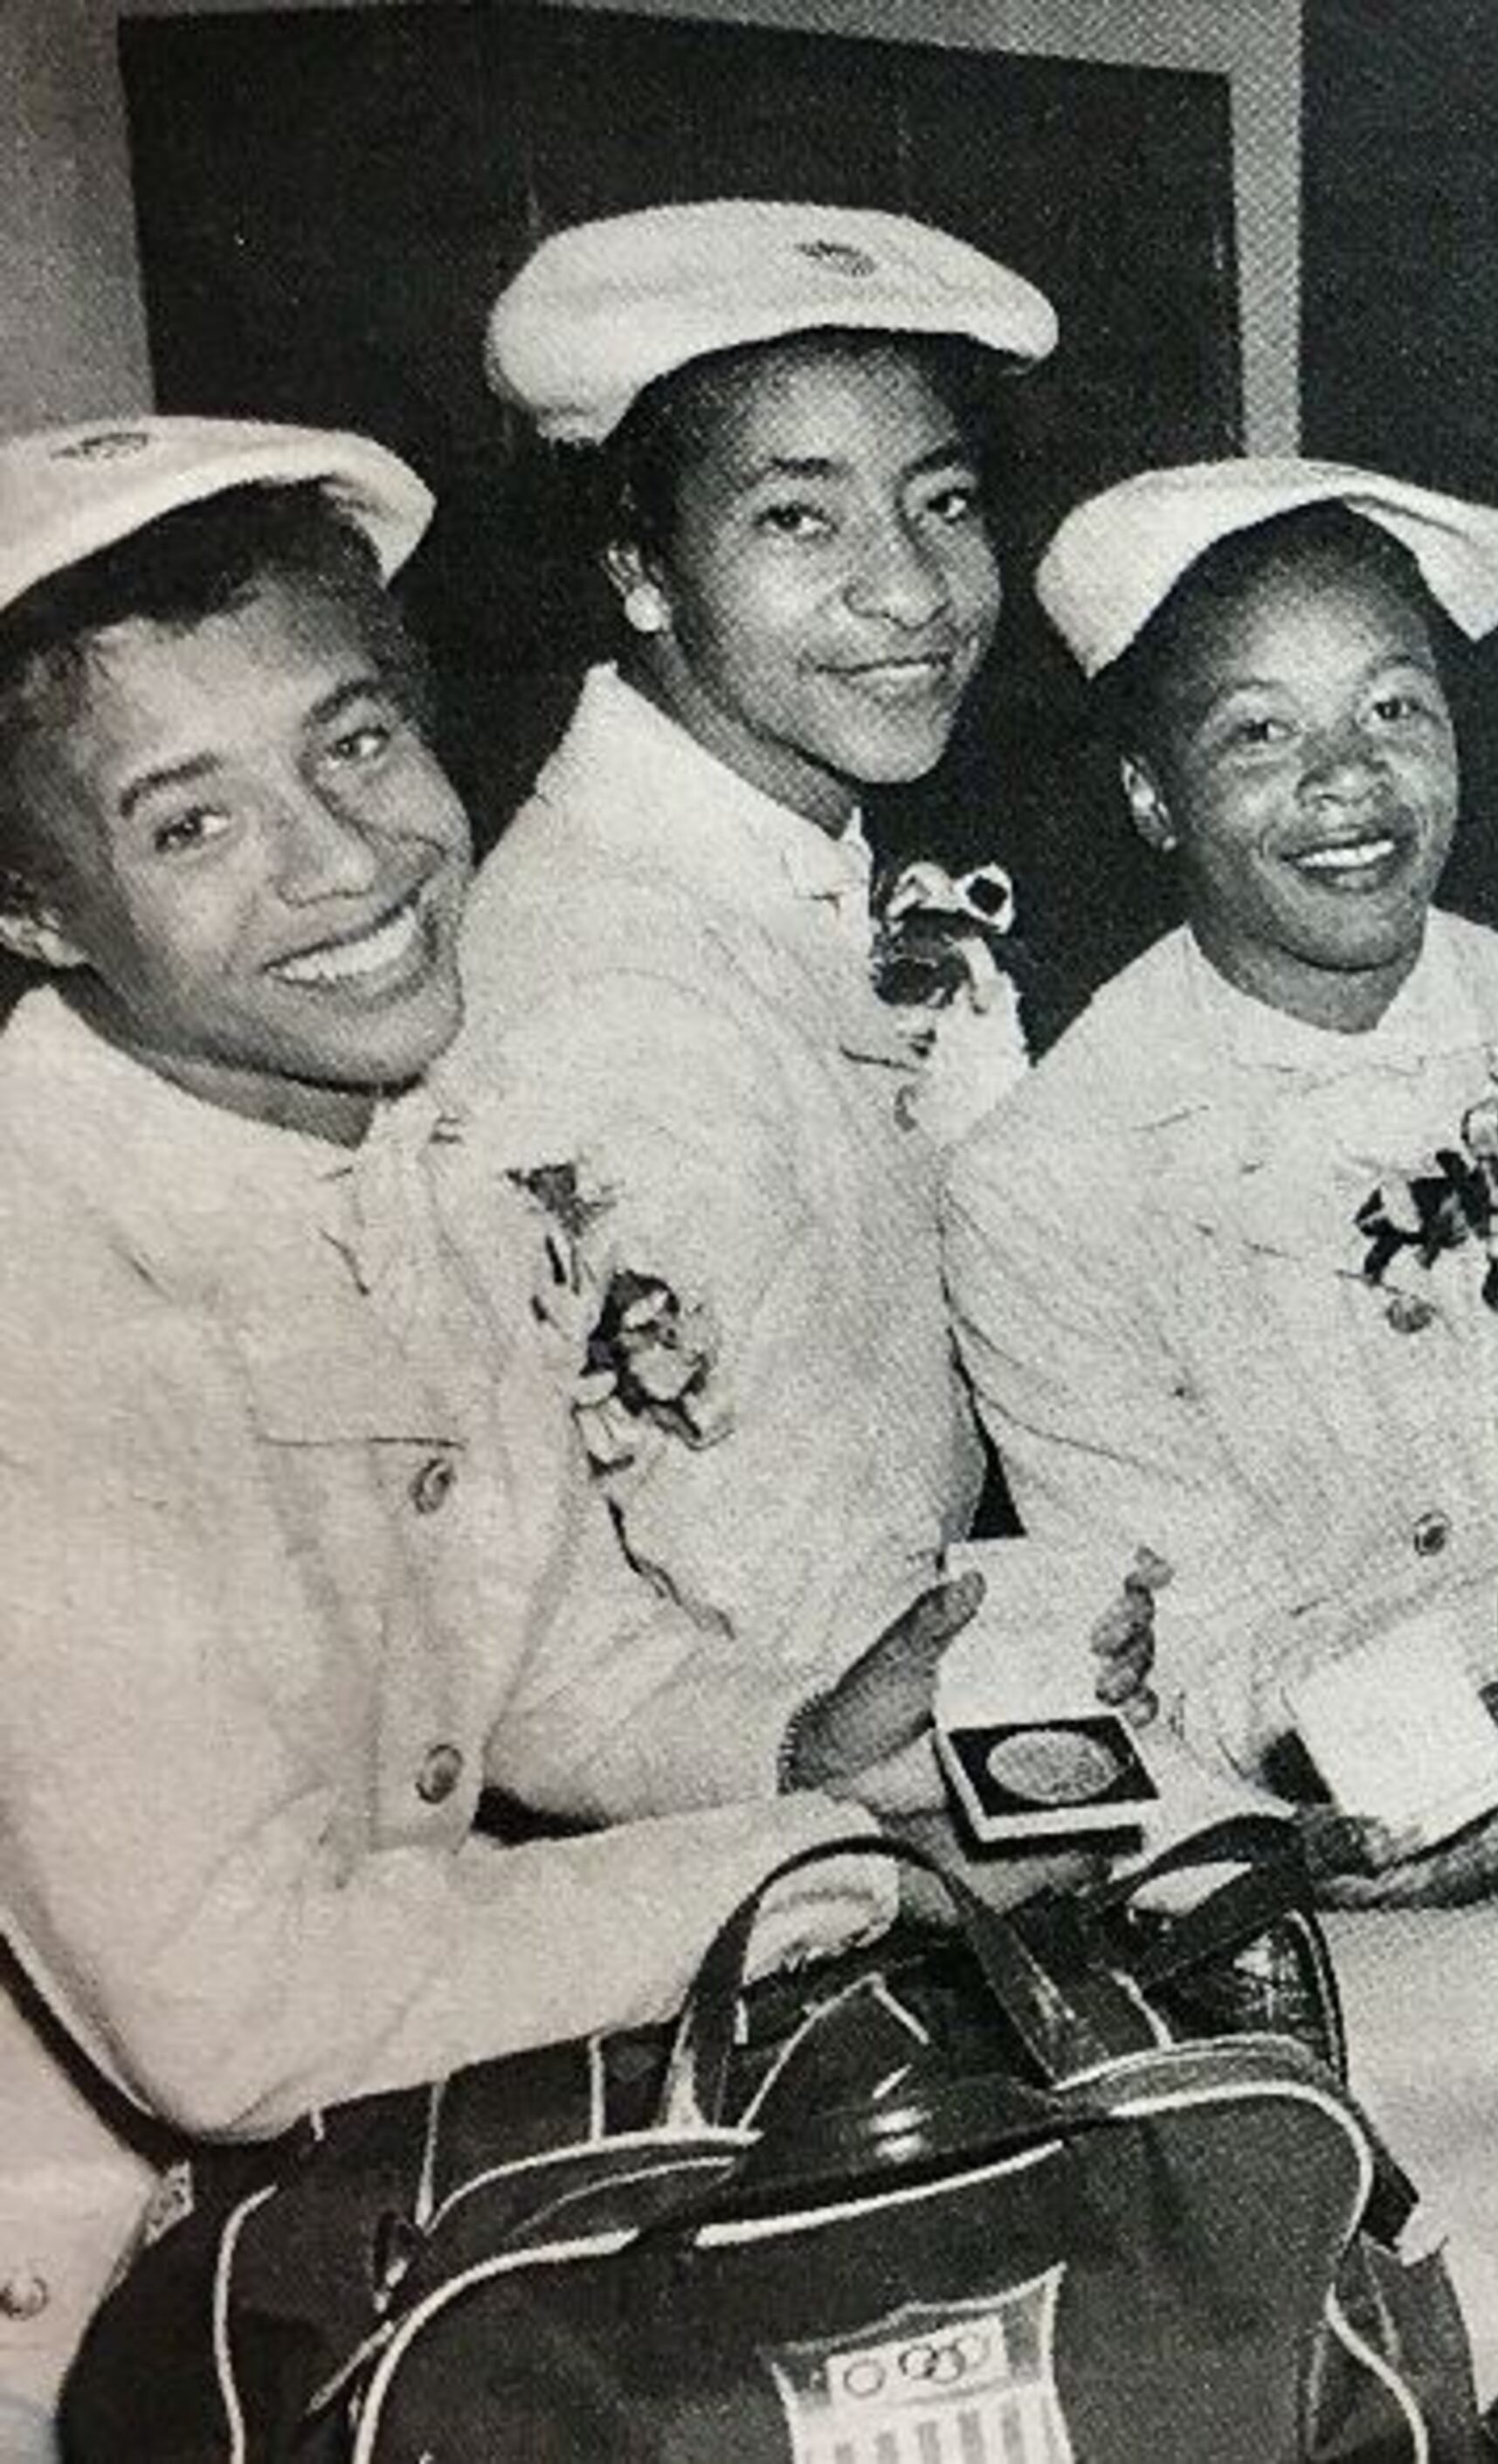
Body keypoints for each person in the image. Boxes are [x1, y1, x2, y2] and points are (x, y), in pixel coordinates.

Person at [0, 418, 957, 2432]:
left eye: (352, 744)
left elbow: (535, 1651)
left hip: (321, 2248)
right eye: (188, 824)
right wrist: (799, 1861)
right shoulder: (39, 1300)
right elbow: (237, 2001)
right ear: (32, 910)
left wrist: (799, 1738)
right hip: (66, 2327)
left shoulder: (393, 1133)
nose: (345, 862)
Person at [945, 459, 1498, 1906]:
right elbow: (1198, 1644)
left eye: (1395, 707)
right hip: (1296, 1845)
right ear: (1151, 795)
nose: (1348, 777)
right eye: (1258, 733)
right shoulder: (1048, 1177)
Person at [449, 200, 1056, 1688]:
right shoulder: (614, 985)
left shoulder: (800, 857)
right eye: (799, 515)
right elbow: (790, 1601)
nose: (910, 589)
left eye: (946, 501)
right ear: (640, 568)